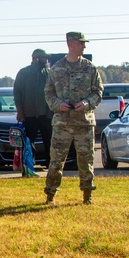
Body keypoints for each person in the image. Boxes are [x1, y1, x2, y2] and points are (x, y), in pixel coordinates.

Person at [43, 32, 103, 204]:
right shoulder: (56, 69)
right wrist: (57, 104)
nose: (83, 47)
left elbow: (98, 92)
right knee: (56, 160)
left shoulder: (90, 68)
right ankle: (50, 195)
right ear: (70, 44)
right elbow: (48, 93)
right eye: (80, 43)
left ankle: (87, 196)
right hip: (62, 123)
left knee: (86, 160)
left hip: (84, 122)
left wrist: (86, 103)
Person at [14, 48, 52, 166]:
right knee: (29, 141)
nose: (46, 60)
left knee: (49, 142)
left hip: (47, 115)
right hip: (29, 115)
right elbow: (17, 93)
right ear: (36, 58)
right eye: (44, 57)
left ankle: (50, 166)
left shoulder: (49, 73)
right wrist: (20, 112)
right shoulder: (23, 73)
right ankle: (28, 165)